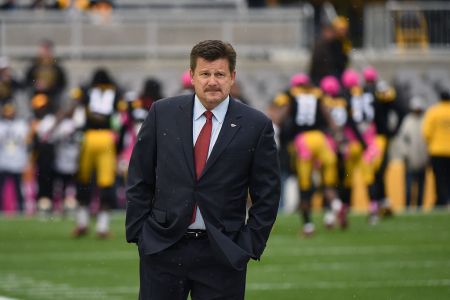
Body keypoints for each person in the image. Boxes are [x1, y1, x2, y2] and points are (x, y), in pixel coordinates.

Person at [126, 40, 280, 300]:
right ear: (191, 76)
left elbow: (268, 192)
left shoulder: (256, 125)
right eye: (205, 74)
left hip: (223, 252)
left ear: (232, 77)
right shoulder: (161, 113)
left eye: (219, 74)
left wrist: (249, 243)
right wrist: (140, 233)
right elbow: (139, 176)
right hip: (163, 246)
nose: (212, 82)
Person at [71, 67, 126, 238]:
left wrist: (78, 137)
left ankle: (82, 223)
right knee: (106, 183)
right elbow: (119, 120)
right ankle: (102, 227)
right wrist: (118, 145)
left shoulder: (86, 92)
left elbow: (78, 117)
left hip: (89, 138)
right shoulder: (116, 93)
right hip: (107, 138)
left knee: (83, 180)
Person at [397, 96, 428, 210]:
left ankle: (419, 207)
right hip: (410, 160)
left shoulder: (425, 120)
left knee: (421, 186)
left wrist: (427, 156)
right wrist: (405, 154)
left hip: (422, 159)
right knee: (409, 186)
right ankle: (408, 207)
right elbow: (402, 140)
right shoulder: (407, 121)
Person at [422, 89, 450, 208]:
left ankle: (441, 201)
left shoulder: (434, 112)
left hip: (437, 151)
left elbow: (426, 132)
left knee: (439, 178)